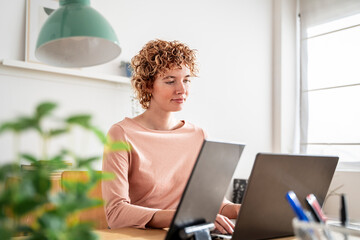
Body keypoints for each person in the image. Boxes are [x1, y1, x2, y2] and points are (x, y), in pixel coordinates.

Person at [102, 39, 240, 234]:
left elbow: (210, 203)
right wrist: (182, 218)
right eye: (170, 80)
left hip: (191, 235)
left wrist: (238, 209)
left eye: (186, 79)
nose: (182, 90)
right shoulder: (121, 134)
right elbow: (116, 213)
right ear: (148, 85)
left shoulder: (199, 135)